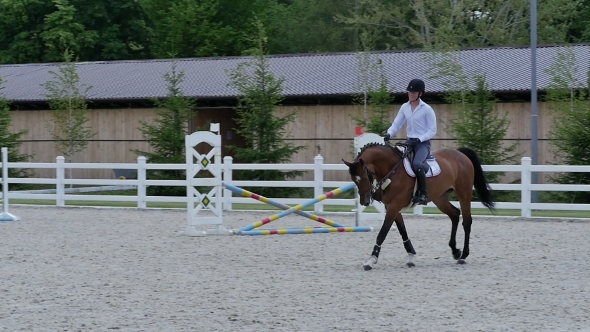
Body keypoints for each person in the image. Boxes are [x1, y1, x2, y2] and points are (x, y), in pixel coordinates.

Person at [383, 78, 437, 205]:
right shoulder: (404, 107)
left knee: (417, 164)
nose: (411, 94)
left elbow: (432, 130)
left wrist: (419, 139)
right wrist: (389, 133)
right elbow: (397, 123)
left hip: (422, 144)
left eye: (414, 93)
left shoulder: (427, 109)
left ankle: (423, 194)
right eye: (409, 92)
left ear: (420, 94)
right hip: (409, 142)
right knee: (395, 161)